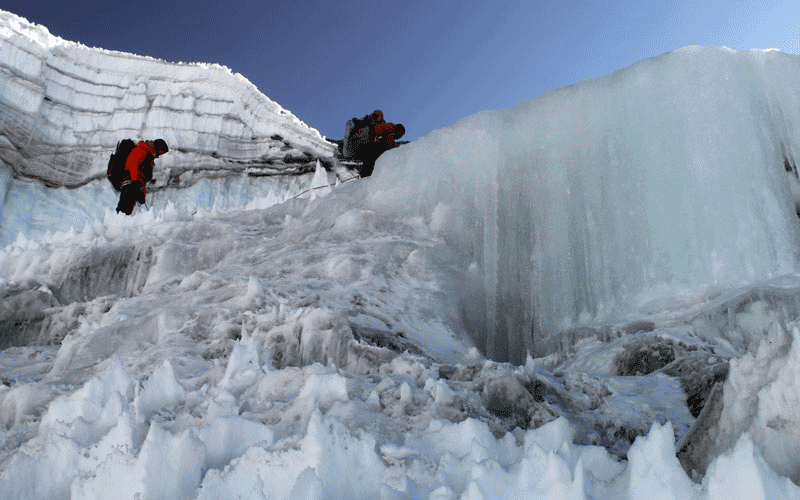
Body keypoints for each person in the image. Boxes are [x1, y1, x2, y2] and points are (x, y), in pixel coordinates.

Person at [116, 138, 169, 215]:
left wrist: (141, 195)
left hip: (133, 185)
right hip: (130, 184)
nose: (160, 154)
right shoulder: (142, 150)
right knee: (124, 209)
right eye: (161, 152)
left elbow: (142, 177)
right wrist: (135, 184)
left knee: (127, 210)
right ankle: (117, 224)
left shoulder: (148, 154)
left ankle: (122, 223)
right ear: (158, 148)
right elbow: (134, 165)